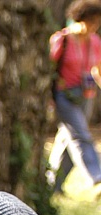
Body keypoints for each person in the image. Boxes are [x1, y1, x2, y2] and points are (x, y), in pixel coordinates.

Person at [48, 1, 101, 196]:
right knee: (81, 136)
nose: (94, 27)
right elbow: (49, 69)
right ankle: (97, 177)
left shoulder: (95, 42)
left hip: (85, 95)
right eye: (91, 22)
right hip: (64, 96)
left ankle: (53, 185)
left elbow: (97, 69)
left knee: (67, 140)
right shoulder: (63, 40)